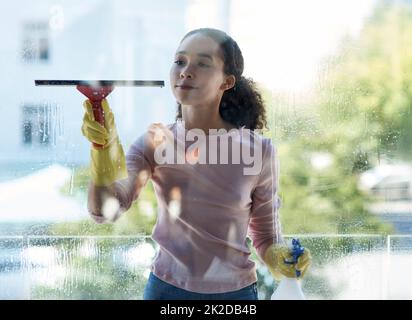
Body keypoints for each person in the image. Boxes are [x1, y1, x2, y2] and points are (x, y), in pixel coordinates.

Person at [81, 28, 311, 300]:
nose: (186, 71)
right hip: (166, 291)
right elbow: (105, 210)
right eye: (180, 61)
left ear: (227, 81)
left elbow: (266, 236)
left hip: (235, 296)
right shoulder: (155, 142)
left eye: (203, 63)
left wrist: (279, 255)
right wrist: (102, 151)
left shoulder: (259, 151)